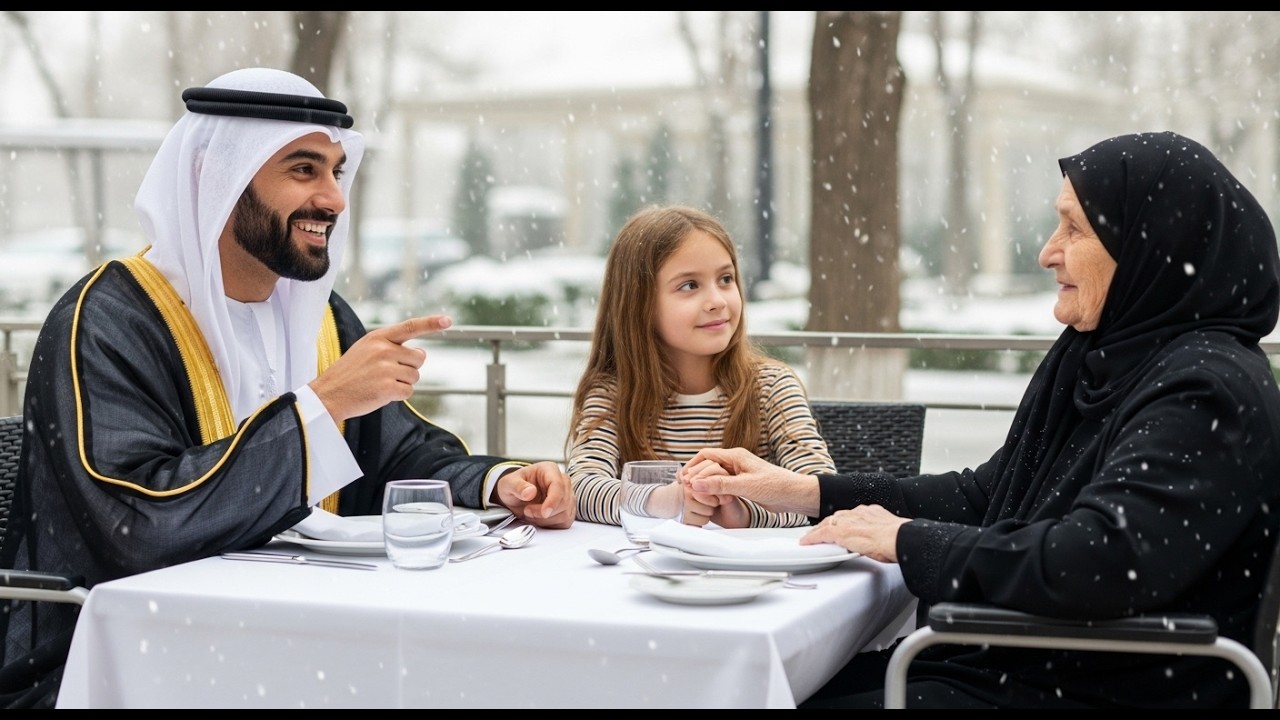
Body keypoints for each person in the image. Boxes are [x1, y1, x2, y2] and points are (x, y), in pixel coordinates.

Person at [0, 67, 574, 708]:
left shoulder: (321, 317)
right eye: (303, 170)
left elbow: (394, 457)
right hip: (121, 663)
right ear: (215, 177)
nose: (334, 200)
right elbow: (141, 524)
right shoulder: (109, 320)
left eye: (336, 172)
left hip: (299, 642)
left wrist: (499, 482)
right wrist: (320, 407)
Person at [681, 131, 1280, 708]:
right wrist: (805, 491)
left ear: (1151, 246)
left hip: (1092, 687)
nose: (1048, 252)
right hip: (1027, 665)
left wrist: (906, 540)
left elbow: (1095, 563)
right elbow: (988, 497)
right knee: (750, 683)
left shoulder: (1206, 390)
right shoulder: (1110, 358)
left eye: (1075, 228)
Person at [566, 204, 835, 529]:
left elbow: (822, 496)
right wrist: (666, 501)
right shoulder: (612, 393)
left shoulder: (772, 387)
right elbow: (581, 488)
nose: (717, 301)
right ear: (638, 304)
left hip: (749, 563)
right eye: (690, 285)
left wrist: (745, 513)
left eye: (725, 279)